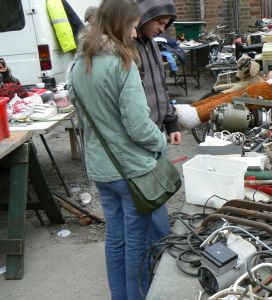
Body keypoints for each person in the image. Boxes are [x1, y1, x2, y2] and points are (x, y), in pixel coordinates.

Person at [67, 0, 167, 299]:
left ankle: (120, 296)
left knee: (115, 238)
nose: (136, 34)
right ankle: (136, 296)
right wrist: (160, 142)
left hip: (101, 168)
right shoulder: (122, 64)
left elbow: (81, 110)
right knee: (137, 240)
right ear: (121, 25)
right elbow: (138, 126)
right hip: (130, 171)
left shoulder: (79, 64)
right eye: (134, 26)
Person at [134, 0, 181, 248]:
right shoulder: (128, 48)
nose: (163, 29)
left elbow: (161, 89)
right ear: (143, 16)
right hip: (142, 139)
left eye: (166, 24)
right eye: (159, 22)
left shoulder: (151, 45)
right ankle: (159, 251)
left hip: (156, 134)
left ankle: (159, 246)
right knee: (149, 200)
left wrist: (171, 123)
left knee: (158, 197)